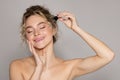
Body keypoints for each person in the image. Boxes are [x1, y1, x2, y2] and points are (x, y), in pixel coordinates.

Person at [9, 5, 115, 80]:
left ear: (53, 29)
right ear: (26, 36)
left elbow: (107, 56)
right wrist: (39, 68)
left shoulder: (69, 67)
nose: (36, 33)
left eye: (42, 27)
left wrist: (76, 28)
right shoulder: (17, 66)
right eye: (30, 31)